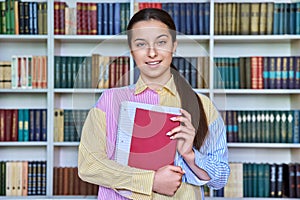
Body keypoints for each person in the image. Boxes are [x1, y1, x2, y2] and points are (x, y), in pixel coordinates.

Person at [78, 8, 230, 200]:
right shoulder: (110, 100)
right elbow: (89, 165)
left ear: (174, 45)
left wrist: (190, 155)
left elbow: (220, 178)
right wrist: (150, 181)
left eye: (161, 42)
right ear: (131, 50)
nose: (152, 53)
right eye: (141, 44)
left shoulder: (202, 105)